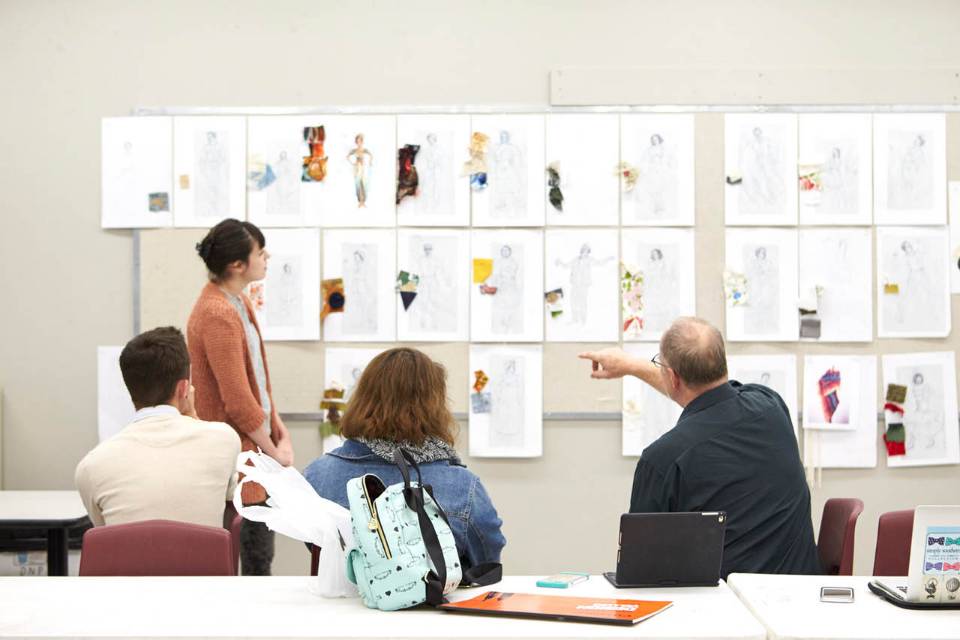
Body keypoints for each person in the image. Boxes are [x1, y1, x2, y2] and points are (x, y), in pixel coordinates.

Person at [579, 317, 821, 578]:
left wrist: (636, 366)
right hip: (801, 593)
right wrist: (631, 365)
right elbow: (702, 392)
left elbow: (640, 568)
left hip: (723, 601)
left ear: (672, 377)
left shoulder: (663, 459)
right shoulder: (770, 405)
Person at [304, 348, 505, 571]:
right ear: (435, 406)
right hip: (433, 594)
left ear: (362, 398)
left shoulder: (317, 475)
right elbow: (487, 559)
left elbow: (315, 546)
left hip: (340, 593)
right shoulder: (463, 487)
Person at [187, 218, 294, 575]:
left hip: (255, 450)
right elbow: (236, 400)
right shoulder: (216, 312)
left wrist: (279, 429)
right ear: (237, 264)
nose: (266, 258)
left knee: (260, 553)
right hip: (237, 456)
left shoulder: (238, 301)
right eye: (260, 253)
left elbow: (257, 380)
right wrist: (274, 450)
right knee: (252, 558)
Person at [75, 327, 239, 528]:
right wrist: (192, 416)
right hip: (200, 551)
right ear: (184, 388)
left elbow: (107, 534)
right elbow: (227, 500)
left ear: (130, 388)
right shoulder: (225, 440)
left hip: (132, 551)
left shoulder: (91, 467)